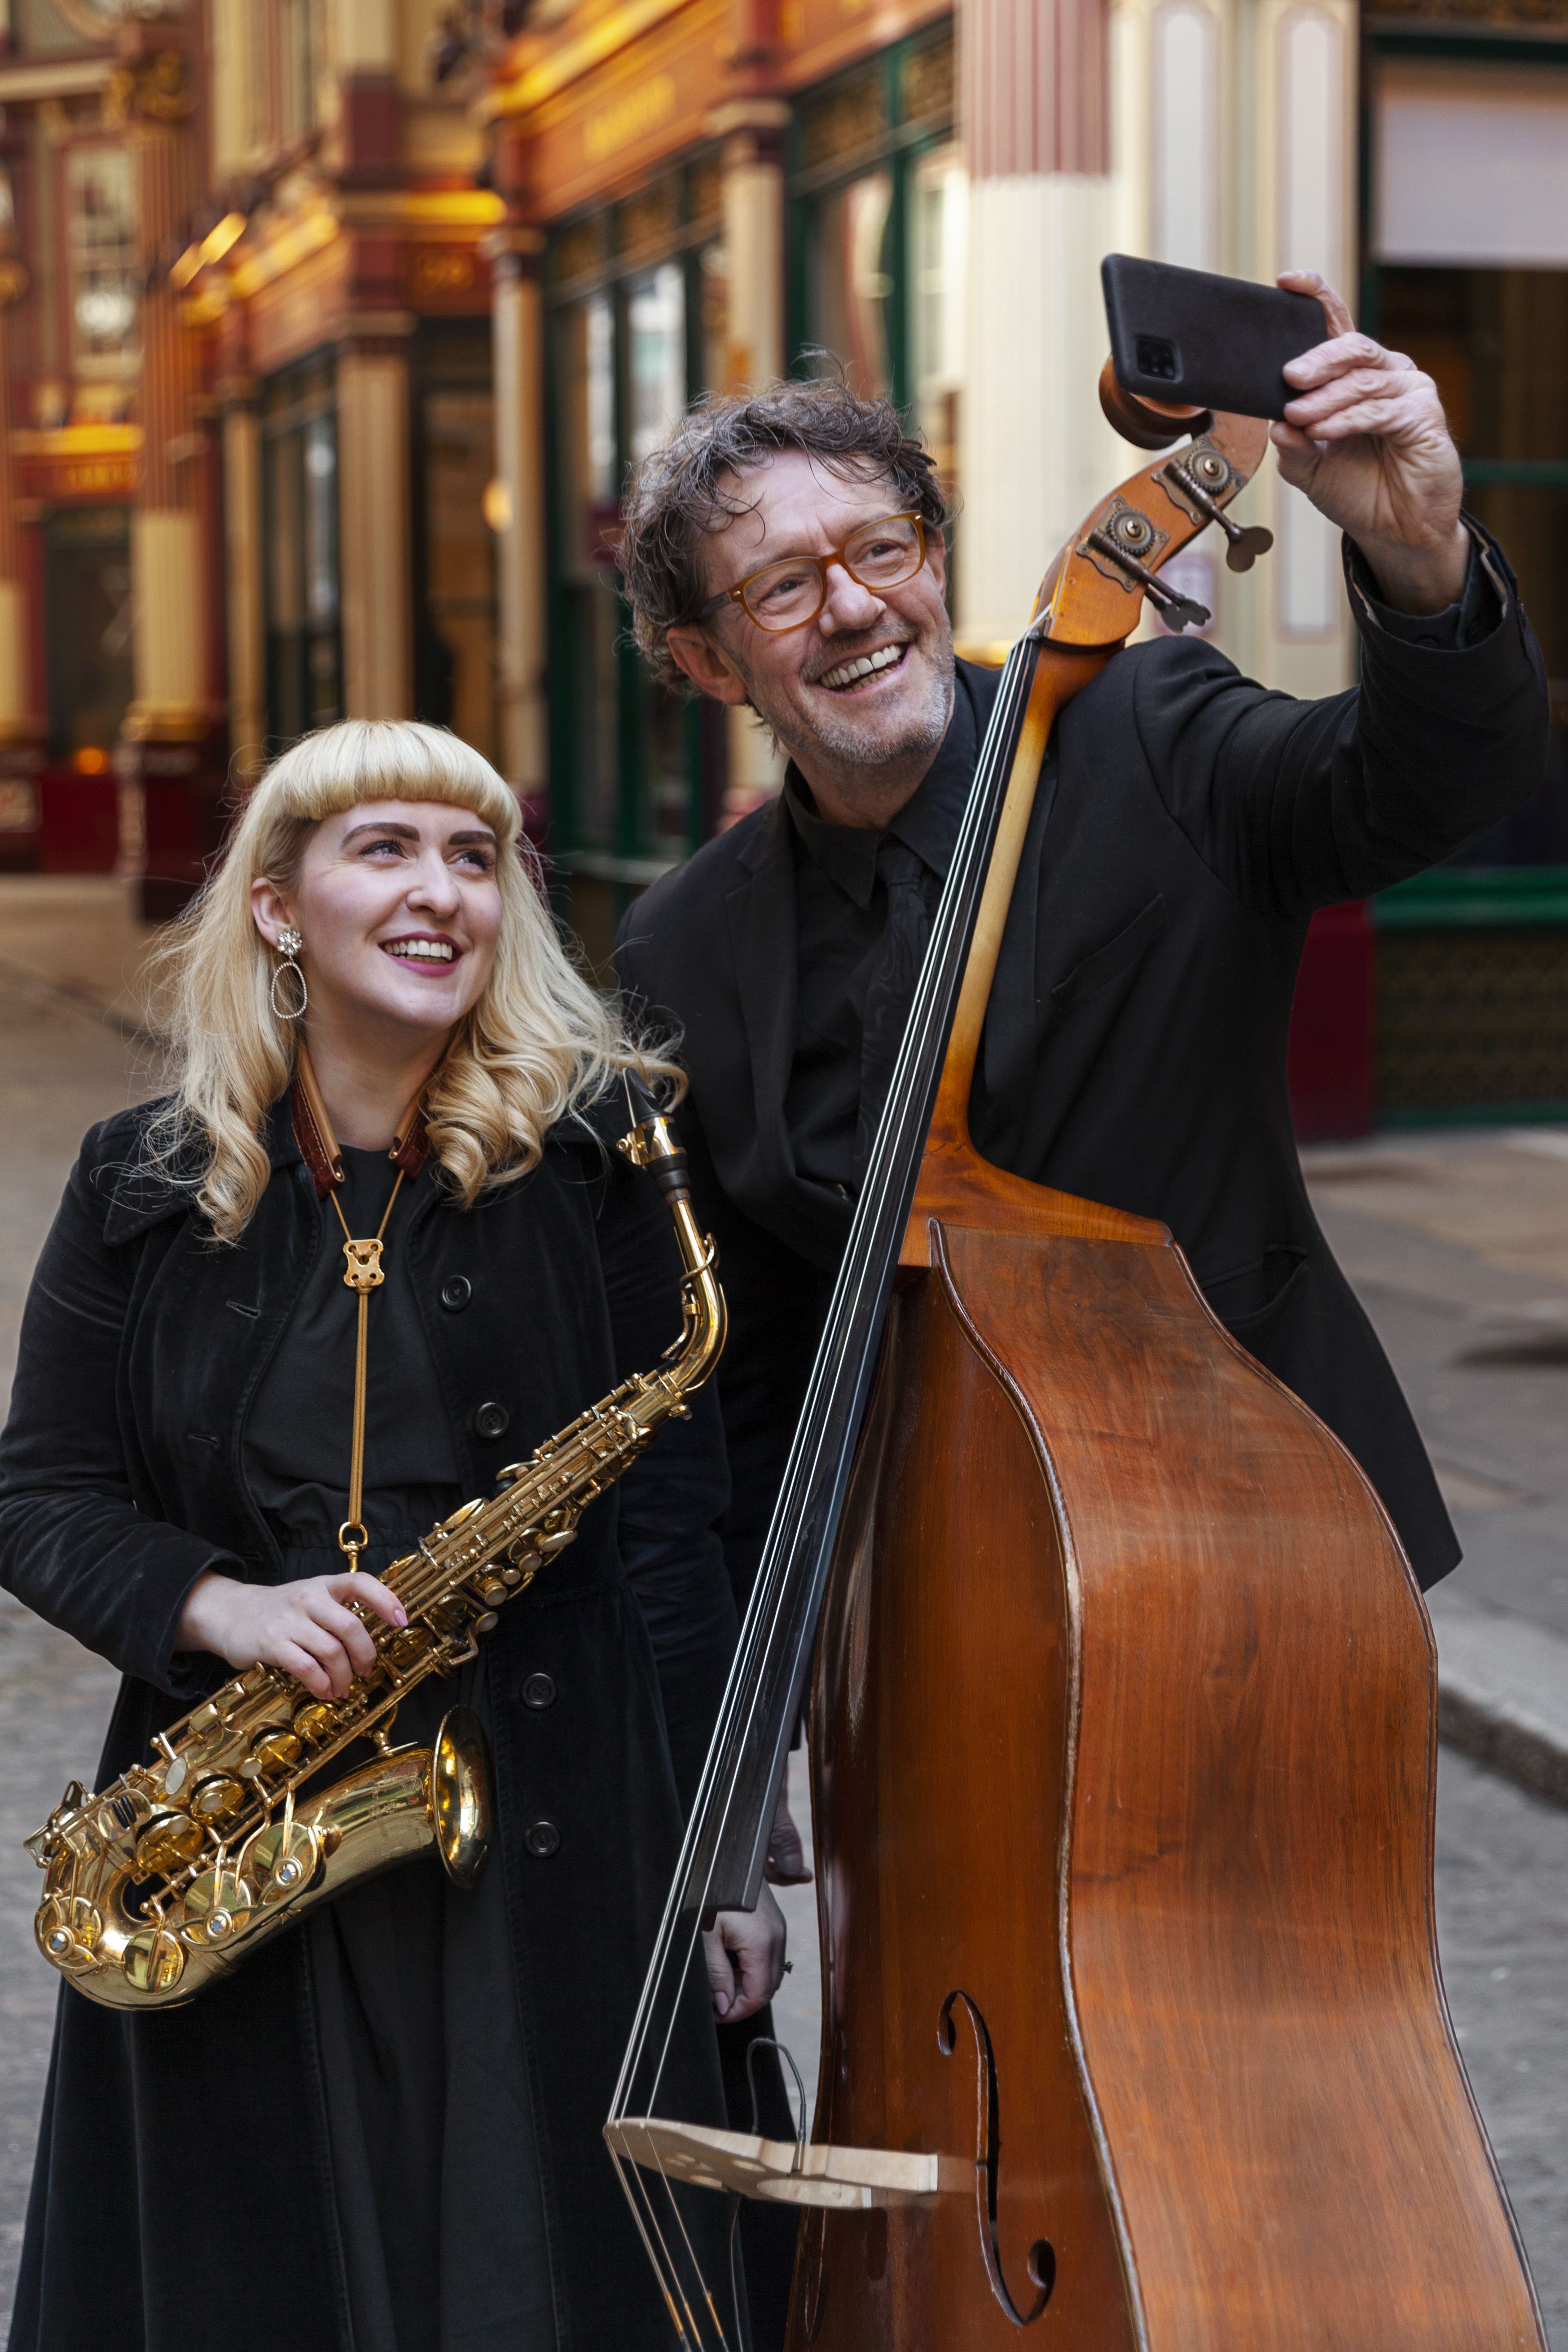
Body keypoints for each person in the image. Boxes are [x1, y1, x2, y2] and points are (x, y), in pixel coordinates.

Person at [610, 282, 1550, 2333]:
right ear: (702, 658)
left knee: (1256, 2064)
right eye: (780, 586)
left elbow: (1413, 788)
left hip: (1233, 1566)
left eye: (879, 548)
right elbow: (745, 1382)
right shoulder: (685, 943)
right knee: (955, 2042)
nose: (852, 608)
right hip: (926, 1616)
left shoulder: (1140, 729)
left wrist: (1416, 552)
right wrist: (729, 1777)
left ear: (932, 554)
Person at [0, 720, 785, 2352]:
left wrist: (721, 1864)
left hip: (552, 1836)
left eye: (476, 858)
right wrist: (215, 1604)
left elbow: (674, 1540)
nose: (443, 892)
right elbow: (38, 1490)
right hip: (247, 1823)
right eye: (387, 850)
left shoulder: (601, 1164)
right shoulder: (142, 1180)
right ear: (279, 906)